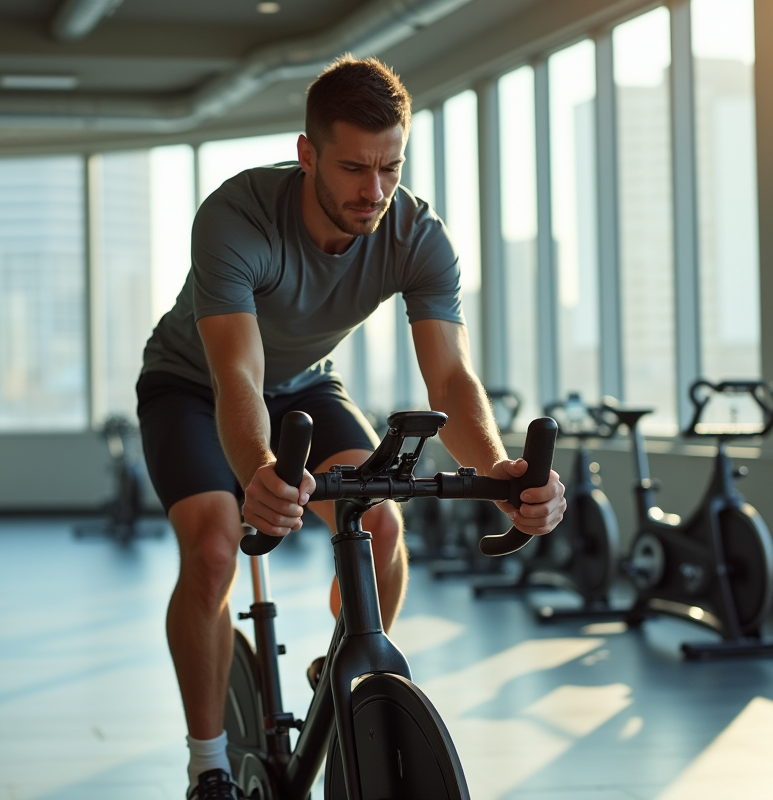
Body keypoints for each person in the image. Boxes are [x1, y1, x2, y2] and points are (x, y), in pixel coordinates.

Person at [136, 54, 567, 800]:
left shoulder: (416, 234)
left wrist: (499, 471)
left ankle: (335, 670)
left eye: (390, 167)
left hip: (304, 382)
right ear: (308, 156)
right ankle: (207, 763)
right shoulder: (235, 217)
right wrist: (258, 474)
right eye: (354, 169)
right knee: (212, 546)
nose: (374, 191)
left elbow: (451, 379)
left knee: (383, 528)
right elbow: (236, 373)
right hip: (190, 384)